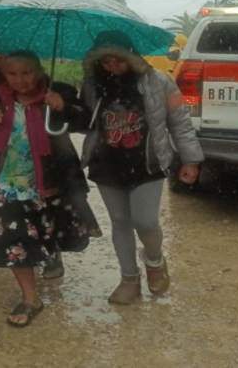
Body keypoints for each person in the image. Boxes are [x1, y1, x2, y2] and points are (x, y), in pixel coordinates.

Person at [79, 30, 204, 305]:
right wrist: (60, 103)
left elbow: (180, 122)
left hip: (148, 162)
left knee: (145, 222)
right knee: (121, 222)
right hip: (106, 164)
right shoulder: (91, 86)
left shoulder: (159, 82)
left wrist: (190, 159)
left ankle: (154, 261)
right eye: (106, 62)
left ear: (131, 57)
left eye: (118, 61)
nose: (113, 67)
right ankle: (129, 279)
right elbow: (82, 120)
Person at [0, 50, 93, 327]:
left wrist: (63, 106)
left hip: (50, 182)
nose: (20, 80)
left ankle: (53, 257)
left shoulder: (57, 91)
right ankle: (30, 298)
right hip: (6, 183)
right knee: (13, 240)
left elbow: (84, 120)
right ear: (4, 75)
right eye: (12, 74)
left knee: (45, 233)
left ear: (38, 71)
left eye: (26, 72)